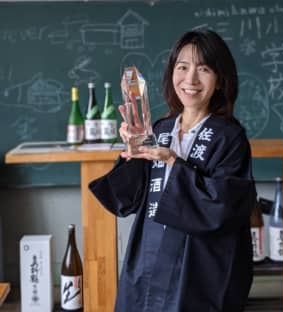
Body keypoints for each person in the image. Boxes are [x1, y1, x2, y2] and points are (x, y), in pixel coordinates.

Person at [89, 30, 256, 312]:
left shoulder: (230, 138)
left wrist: (173, 163)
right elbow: (128, 199)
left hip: (199, 270)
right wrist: (133, 153)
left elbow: (224, 206)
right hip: (148, 259)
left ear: (220, 81)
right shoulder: (159, 130)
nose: (190, 79)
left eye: (203, 69)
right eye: (182, 67)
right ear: (171, 74)